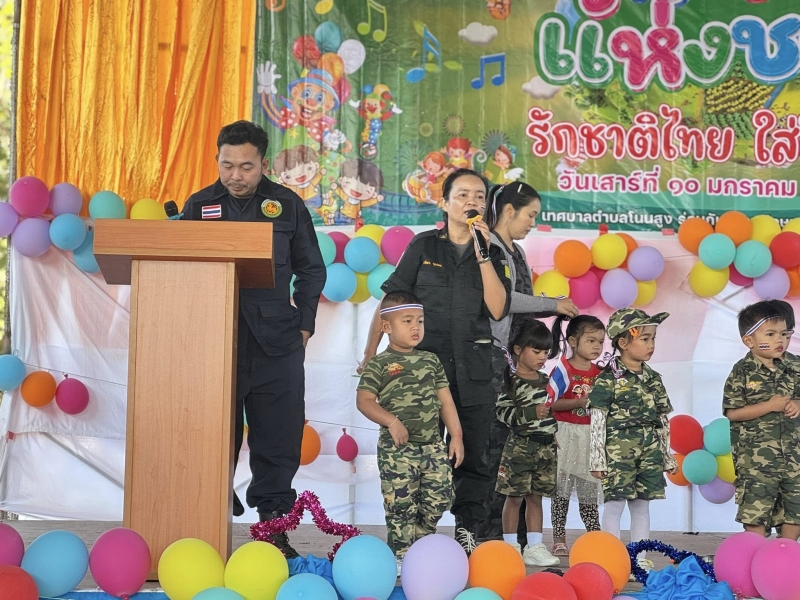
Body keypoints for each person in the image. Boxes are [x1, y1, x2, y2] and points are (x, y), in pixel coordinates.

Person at [182, 121, 326, 557]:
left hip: (277, 341)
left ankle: (273, 528)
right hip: (215, 339)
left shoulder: (287, 205)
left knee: (278, 438)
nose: (236, 175)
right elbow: (179, 267)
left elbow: (311, 269)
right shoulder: (199, 205)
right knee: (210, 432)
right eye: (227, 165)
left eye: (246, 166)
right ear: (217, 160)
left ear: (263, 163)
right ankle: (206, 515)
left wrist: (305, 324)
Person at [360, 168, 511, 555]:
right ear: (444, 203)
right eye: (462, 195)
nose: (471, 202)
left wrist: (483, 254)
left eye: (479, 196)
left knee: (474, 453)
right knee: (416, 452)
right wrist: (370, 351)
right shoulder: (424, 246)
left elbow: (498, 309)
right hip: (422, 373)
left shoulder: (494, 252)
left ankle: (467, 530)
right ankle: (410, 538)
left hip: (475, 369)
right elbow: (392, 301)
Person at [477, 182, 579, 543]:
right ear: (509, 211)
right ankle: (489, 536)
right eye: (530, 214)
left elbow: (523, 306)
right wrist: (551, 304)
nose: (533, 222)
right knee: (495, 447)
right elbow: (503, 301)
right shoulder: (488, 247)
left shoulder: (517, 252)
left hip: (517, 366)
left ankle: (521, 538)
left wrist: (547, 330)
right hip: (491, 361)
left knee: (520, 447)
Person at [357, 291, 465, 575]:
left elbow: (445, 401)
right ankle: (401, 556)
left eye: (419, 320)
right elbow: (364, 401)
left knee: (440, 497)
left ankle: (421, 543)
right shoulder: (379, 364)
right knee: (400, 505)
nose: (416, 327)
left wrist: (456, 436)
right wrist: (391, 421)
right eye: (407, 321)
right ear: (387, 327)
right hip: (397, 451)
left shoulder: (431, 360)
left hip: (432, 446)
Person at [588, 308, 678, 574]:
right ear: (623, 342)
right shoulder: (608, 379)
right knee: (614, 504)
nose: (651, 345)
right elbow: (597, 419)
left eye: (653, 339)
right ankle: (612, 559)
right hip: (618, 454)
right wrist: (597, 458)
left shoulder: (653, 379)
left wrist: (666, 456)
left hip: (649, 454)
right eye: (645, 339)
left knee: (641, 506)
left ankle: (639, 558)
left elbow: (662, 419)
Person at [723, 301, 800, 542]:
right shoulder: (742, 371)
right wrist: (770, 406)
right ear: (749, 340)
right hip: (756, 462)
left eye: (785, 334)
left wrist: (798, 402)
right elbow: (732, 412)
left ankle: (786, 553)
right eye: (770, 334)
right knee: (756, 511)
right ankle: (755, 553)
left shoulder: (796, 366)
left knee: (795, 509)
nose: (780, 340)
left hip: (795, 458)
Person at [495, 317, 560, 566]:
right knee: (514, 497)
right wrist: (532, 412)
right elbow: (503, 414)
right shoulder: (510, 382)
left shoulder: (547, 382)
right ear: (518, 349)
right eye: (537, 351)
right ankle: (511, 546)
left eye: (546, 352)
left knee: (536, 497)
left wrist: (553, 431)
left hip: (546, 448)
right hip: (520, 447)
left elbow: (553, 411)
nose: (542, 357)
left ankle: (534, 547)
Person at [547, 315, 606, 556]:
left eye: (600, 342)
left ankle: (594, 534)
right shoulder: (563, 370)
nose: (597, 347)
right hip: (565, 435)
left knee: (588, 490)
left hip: (590, 438)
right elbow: (550, 403)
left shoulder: (601, 373)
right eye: (591, 340)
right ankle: (559, 537)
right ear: (572, 341)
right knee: (560, 491)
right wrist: (579, 402)